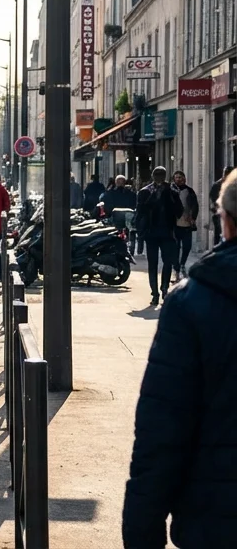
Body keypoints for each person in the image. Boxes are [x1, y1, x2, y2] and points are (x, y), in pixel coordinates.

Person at [122, 168, 237, 547]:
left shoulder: (195, 302)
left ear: (227, 223)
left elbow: (163, 427)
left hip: (218, 519)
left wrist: (143, 529)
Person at [136, 166, 184, 307]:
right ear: (152, 176)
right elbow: (140, 212)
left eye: (161, 175)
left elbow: (179, 211)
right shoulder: (145, 192)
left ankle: (164, 289)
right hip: (151, 233)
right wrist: (140, 231)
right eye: (156, 175)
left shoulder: (171, 190)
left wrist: (172, 197)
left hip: (167, 233)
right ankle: (155, 293)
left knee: (167, 262)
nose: (158, 178)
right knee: (153, 264)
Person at [171, 171, 200, 281]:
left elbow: (195, 205)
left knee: (187, 247)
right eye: (176, 177)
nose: (178, 179)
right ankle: (176, 269)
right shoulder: (171, 191)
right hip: (175, 224)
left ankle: (182, 263)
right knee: (175, 248)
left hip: (187, 224)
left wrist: (193, 217)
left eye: (180, 177)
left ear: (184, 178)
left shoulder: (189, 191)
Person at [210, 166, 233, 246]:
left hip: (231, 214)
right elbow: (214, 200)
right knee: (219, 235)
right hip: (219, 215)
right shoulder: (217, 185)